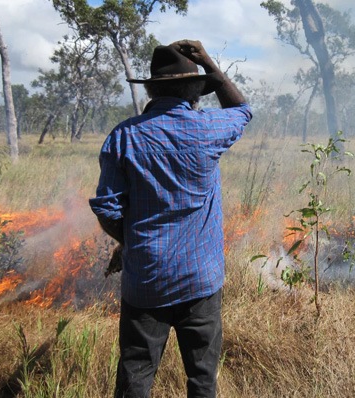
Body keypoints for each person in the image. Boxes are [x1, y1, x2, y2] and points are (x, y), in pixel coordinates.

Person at [89, 39, 252, 397]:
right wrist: (207, 61)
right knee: (202, 379)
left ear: (150, 88)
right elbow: (242, 109)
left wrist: (129, 241)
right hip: (200, 280)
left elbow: (106, 208)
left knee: (136, 375)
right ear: (197, 90)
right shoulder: (208, 129)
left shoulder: (124, 136)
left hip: (146, 279)